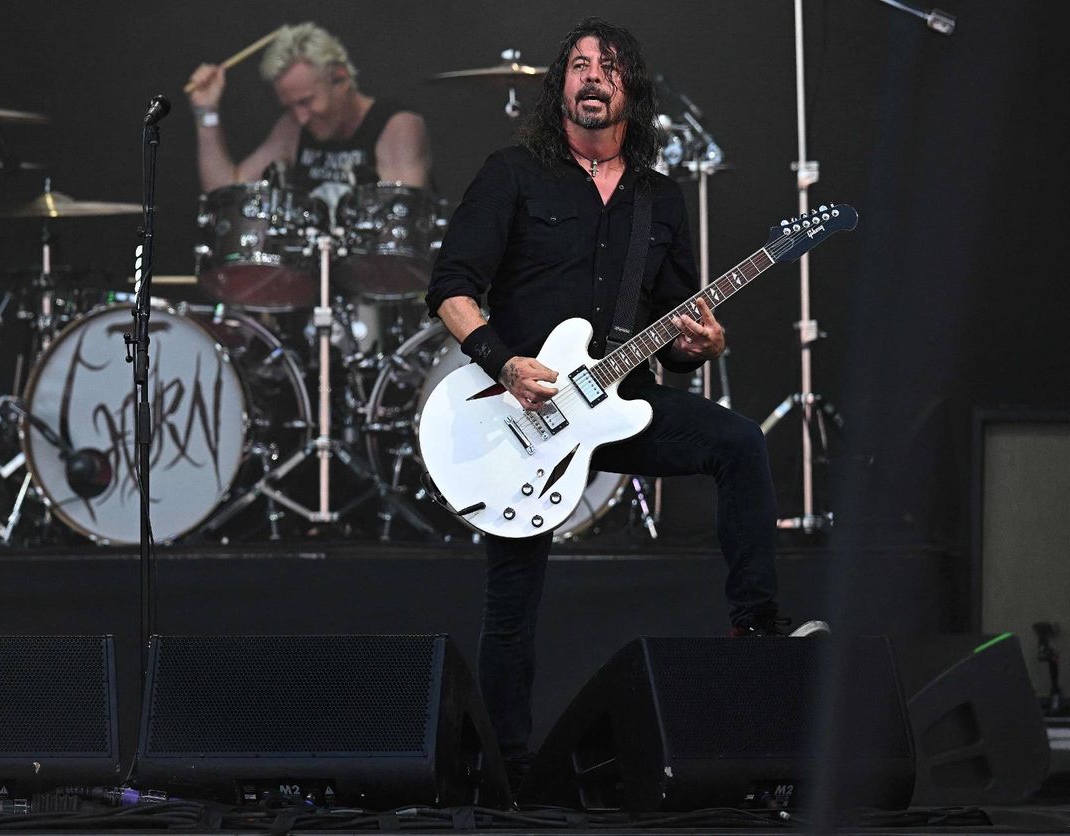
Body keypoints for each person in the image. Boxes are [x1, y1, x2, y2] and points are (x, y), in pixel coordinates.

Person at [425, 17, 828, 790]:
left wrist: (703, 344)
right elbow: (449, 288)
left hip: (621, 406)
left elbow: (677, 322)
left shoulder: (659, 198)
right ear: (560, 88)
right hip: (527, 414)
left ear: (629, 92)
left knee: (737, 443)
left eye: (606, 67)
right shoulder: (514, 173)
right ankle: (505, 773)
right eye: (577, 66)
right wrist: (504, 364)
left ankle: (755, 626)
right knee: (512, 601)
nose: (590, 76)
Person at [187, 21, 432, 209]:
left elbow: (400, 226)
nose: (301, 117)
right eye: (290, 106)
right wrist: (206, 113)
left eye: (306, 101)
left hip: (376, 274)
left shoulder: (395, 126)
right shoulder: (293, 128)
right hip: (313, 273)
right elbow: (226, 194)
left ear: (340, 78)